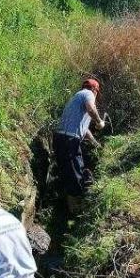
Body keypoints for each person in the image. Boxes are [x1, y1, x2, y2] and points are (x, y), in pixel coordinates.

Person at [53, 78, 106, 211]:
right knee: (75, 173)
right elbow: (91, 108)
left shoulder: (76, 98)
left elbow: (84, 128)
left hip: (62, 138)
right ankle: (76, 209)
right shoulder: (87, 94)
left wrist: (95, 143)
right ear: (94, 90)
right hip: (69, 139)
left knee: (70, 171)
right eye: (96, 93)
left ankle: (72, 207)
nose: (95, 96)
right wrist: (99, 121)